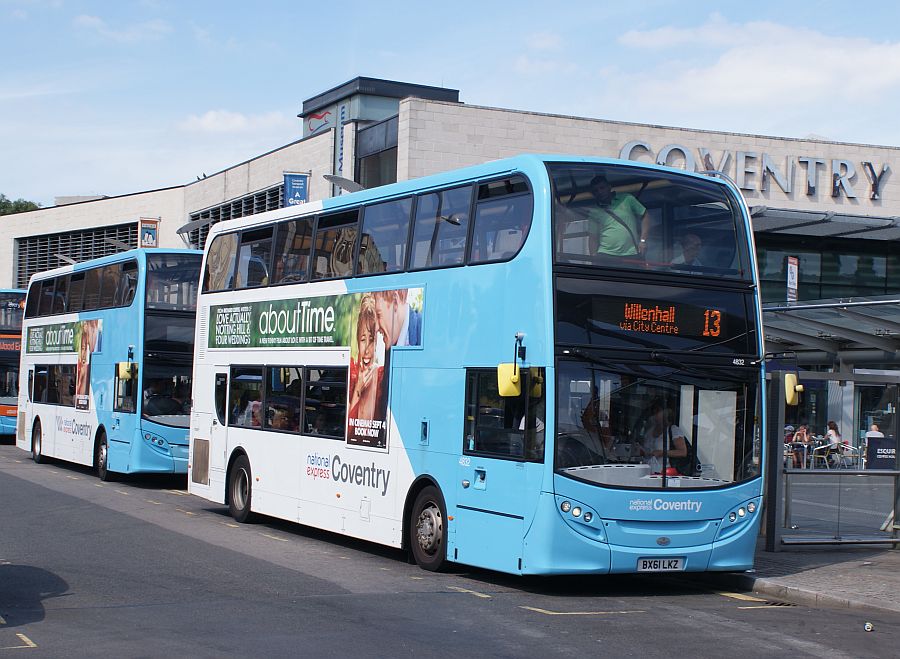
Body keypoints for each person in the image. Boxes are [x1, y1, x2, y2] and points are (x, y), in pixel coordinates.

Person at [586, 175, 650, 258]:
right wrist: (593, 258)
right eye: (596, 191)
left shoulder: (627, 199)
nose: (599, 192)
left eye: (602, 188)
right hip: (606, 255)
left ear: (609, 187)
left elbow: (645, 216)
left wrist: (643, 241)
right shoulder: (594, 212)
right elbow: (592, 237)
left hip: (632, 253)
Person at [348, 294, 384, 433]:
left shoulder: (382, 377)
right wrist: (358, 389)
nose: (367, 349)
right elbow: (348, 434)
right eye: (363, 339)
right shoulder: (351, 374)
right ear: (357, 340)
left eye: (372, 340)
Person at [640, 398, 690, 474]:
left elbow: (683, 452)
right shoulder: (649, 431)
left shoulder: (673, 430)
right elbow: (647, 452)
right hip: (647, 471)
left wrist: (662, 452)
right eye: (653, 412)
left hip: (666, 473)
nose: (655, 415)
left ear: (666, 413)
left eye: (657, 412)